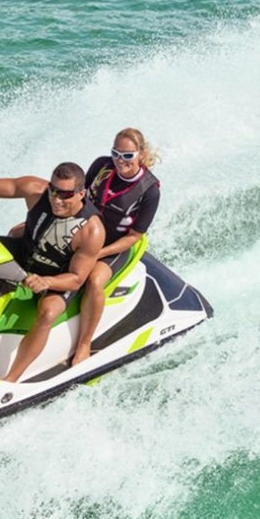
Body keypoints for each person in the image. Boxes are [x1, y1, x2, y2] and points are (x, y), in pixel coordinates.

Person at [0, 162, 105, 382]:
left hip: (56, 276)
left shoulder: (91, 231)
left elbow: (76, 279)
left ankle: (11, 379)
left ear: (81, 193)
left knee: (48, 312)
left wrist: (46, 282)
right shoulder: (36, 190)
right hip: (24, 253)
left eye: (65, 194)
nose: (56, 199)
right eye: (53, 190)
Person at [71, 127, 161, 365]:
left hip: (113, 246)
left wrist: (98, 253)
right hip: (84, 232)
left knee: (94, 281)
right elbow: (78, 197)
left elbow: (134, 236)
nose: (120, 160)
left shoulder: (150, 191)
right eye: (116, 153)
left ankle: (84, 344)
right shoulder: (101, 166)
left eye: (127, 155)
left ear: (141, 154)